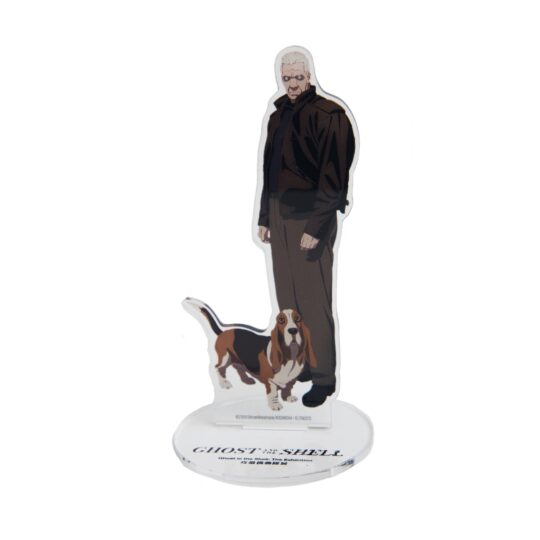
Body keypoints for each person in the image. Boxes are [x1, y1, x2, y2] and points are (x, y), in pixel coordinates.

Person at [257, 49, 357, 408]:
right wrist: (265, 218)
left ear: (310, 75)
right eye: (286, 79)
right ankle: (304, 365)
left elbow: (334, 178)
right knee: (289, 302)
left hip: (311, 217)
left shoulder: (330, 115)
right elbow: (268, 171)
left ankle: (324, 377)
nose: (292, 85)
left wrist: (316, 227)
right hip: (279, 215)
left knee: (314, 302)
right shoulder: (277, 115)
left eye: (298, 78)